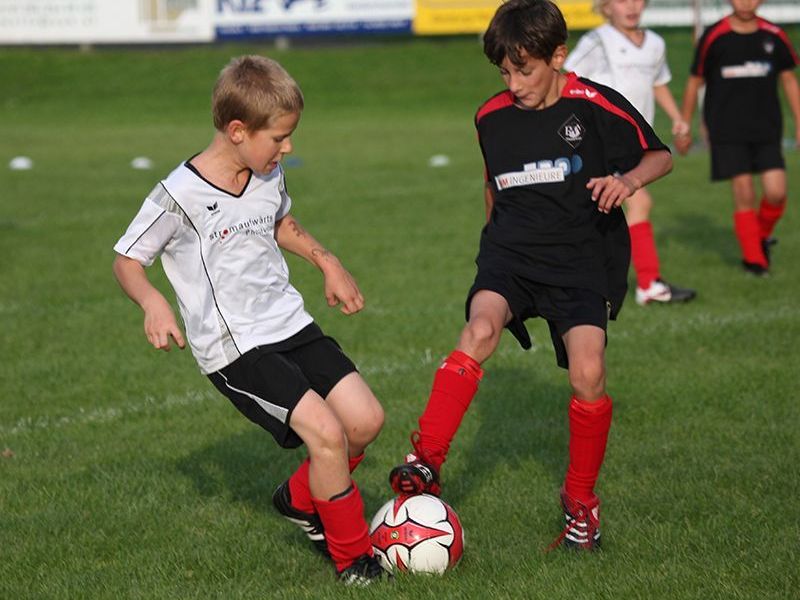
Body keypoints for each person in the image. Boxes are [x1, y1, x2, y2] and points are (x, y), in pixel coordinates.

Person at [388, 0, 672, 551]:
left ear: (557, 56)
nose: (514, 85)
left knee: (588, 373)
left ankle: (580, 503)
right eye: (504, 73)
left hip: (579, 260)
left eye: (525, 71)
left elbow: (658, 157)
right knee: (479, 331)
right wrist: (490, 249)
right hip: (511, 255)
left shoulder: (595, 105)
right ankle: (424, 461)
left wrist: (628, 182)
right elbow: (492, 185)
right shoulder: (490, 117)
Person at [112, 56, 389, 584]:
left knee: (364, 421)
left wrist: (326, 261)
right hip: (235, 346)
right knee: (326, 434)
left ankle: (299, 499)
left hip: (289, 322)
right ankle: (354, 560)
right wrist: (152, 302)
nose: (288, 148)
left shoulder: (266, 172)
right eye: (279, 138)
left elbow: (278, 219)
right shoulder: (180, 194)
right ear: (238, 131)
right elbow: (127, 259)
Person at [565, 0, 696, 305]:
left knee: (600, 210)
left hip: (633, 141)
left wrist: (677, 118)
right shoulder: (597, 41)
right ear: (606, 7)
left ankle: (586, 279)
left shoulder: (655, 43)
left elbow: (658, 84)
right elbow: (565, 78)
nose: (632, 6)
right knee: (639, 202)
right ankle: (647, 284)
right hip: (602, 138)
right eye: (622, 0)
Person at [677, 0, 800, 276]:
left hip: (767, 128)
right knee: (744, 192)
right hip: (726, 128)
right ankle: (754, 260)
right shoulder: (714, 35)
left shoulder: (774, 35)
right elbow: (695, 81)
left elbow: (789, 79)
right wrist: (685, 124)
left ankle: (761, 235)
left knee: (776, 192)